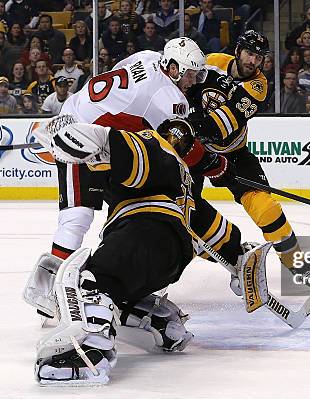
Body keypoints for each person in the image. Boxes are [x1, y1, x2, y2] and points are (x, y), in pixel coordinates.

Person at [31, 117, 268, 385]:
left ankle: (88, 353)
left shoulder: (155, 143)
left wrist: (78, 134)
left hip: (143, 233)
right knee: (119, 290)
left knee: (92, 282)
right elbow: (218, 235)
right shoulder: (185, 182)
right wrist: (241, 259)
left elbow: (120, 147)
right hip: (172, 256)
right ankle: (161, 322)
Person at [31, 37, 207, 264]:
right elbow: (177, 146)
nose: (193, 81)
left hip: (100, 139)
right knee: (78, 216)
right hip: (78, 137)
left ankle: (118, 271)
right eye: (190, 74)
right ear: (174, 69)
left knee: (131, 208)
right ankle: (52, 278)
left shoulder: (148, 56)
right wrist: (211, 163)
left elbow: (115, 76)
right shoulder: (169, 100)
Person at [186, 30, 310, 283]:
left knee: (266, 208)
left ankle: (299, 268)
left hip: (233, 154)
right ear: (237, 51)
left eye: (259, 57)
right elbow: (185, 86)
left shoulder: (258, 87)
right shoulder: (212, 61)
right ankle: (234, 258)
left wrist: (188, 126)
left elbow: (221, 125)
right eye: (249, 53)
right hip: (193, 153)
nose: (253, 61)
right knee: (184, 213)